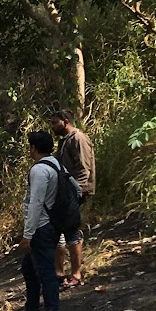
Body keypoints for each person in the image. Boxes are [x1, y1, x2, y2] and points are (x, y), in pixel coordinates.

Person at [18, 130, 70, 311]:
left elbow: (36, 203)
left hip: (41, 227)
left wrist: (28, 234)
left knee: (46, 271)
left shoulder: (39, 170)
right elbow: (75, 189)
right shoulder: (58, 165)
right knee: (29, 268)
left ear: (33, 148)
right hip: (53, 224)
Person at [50, 109, 96, 286]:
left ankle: (76, 275)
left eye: (55, 122)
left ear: (66, 121)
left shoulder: (78, 138)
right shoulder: (65, 141)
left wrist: (77, 192)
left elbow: (84, 168)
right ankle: (59, 273)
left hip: (74, 192)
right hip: (64, 193)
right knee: (59, 231)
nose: (53, 126)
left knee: (71, 231)